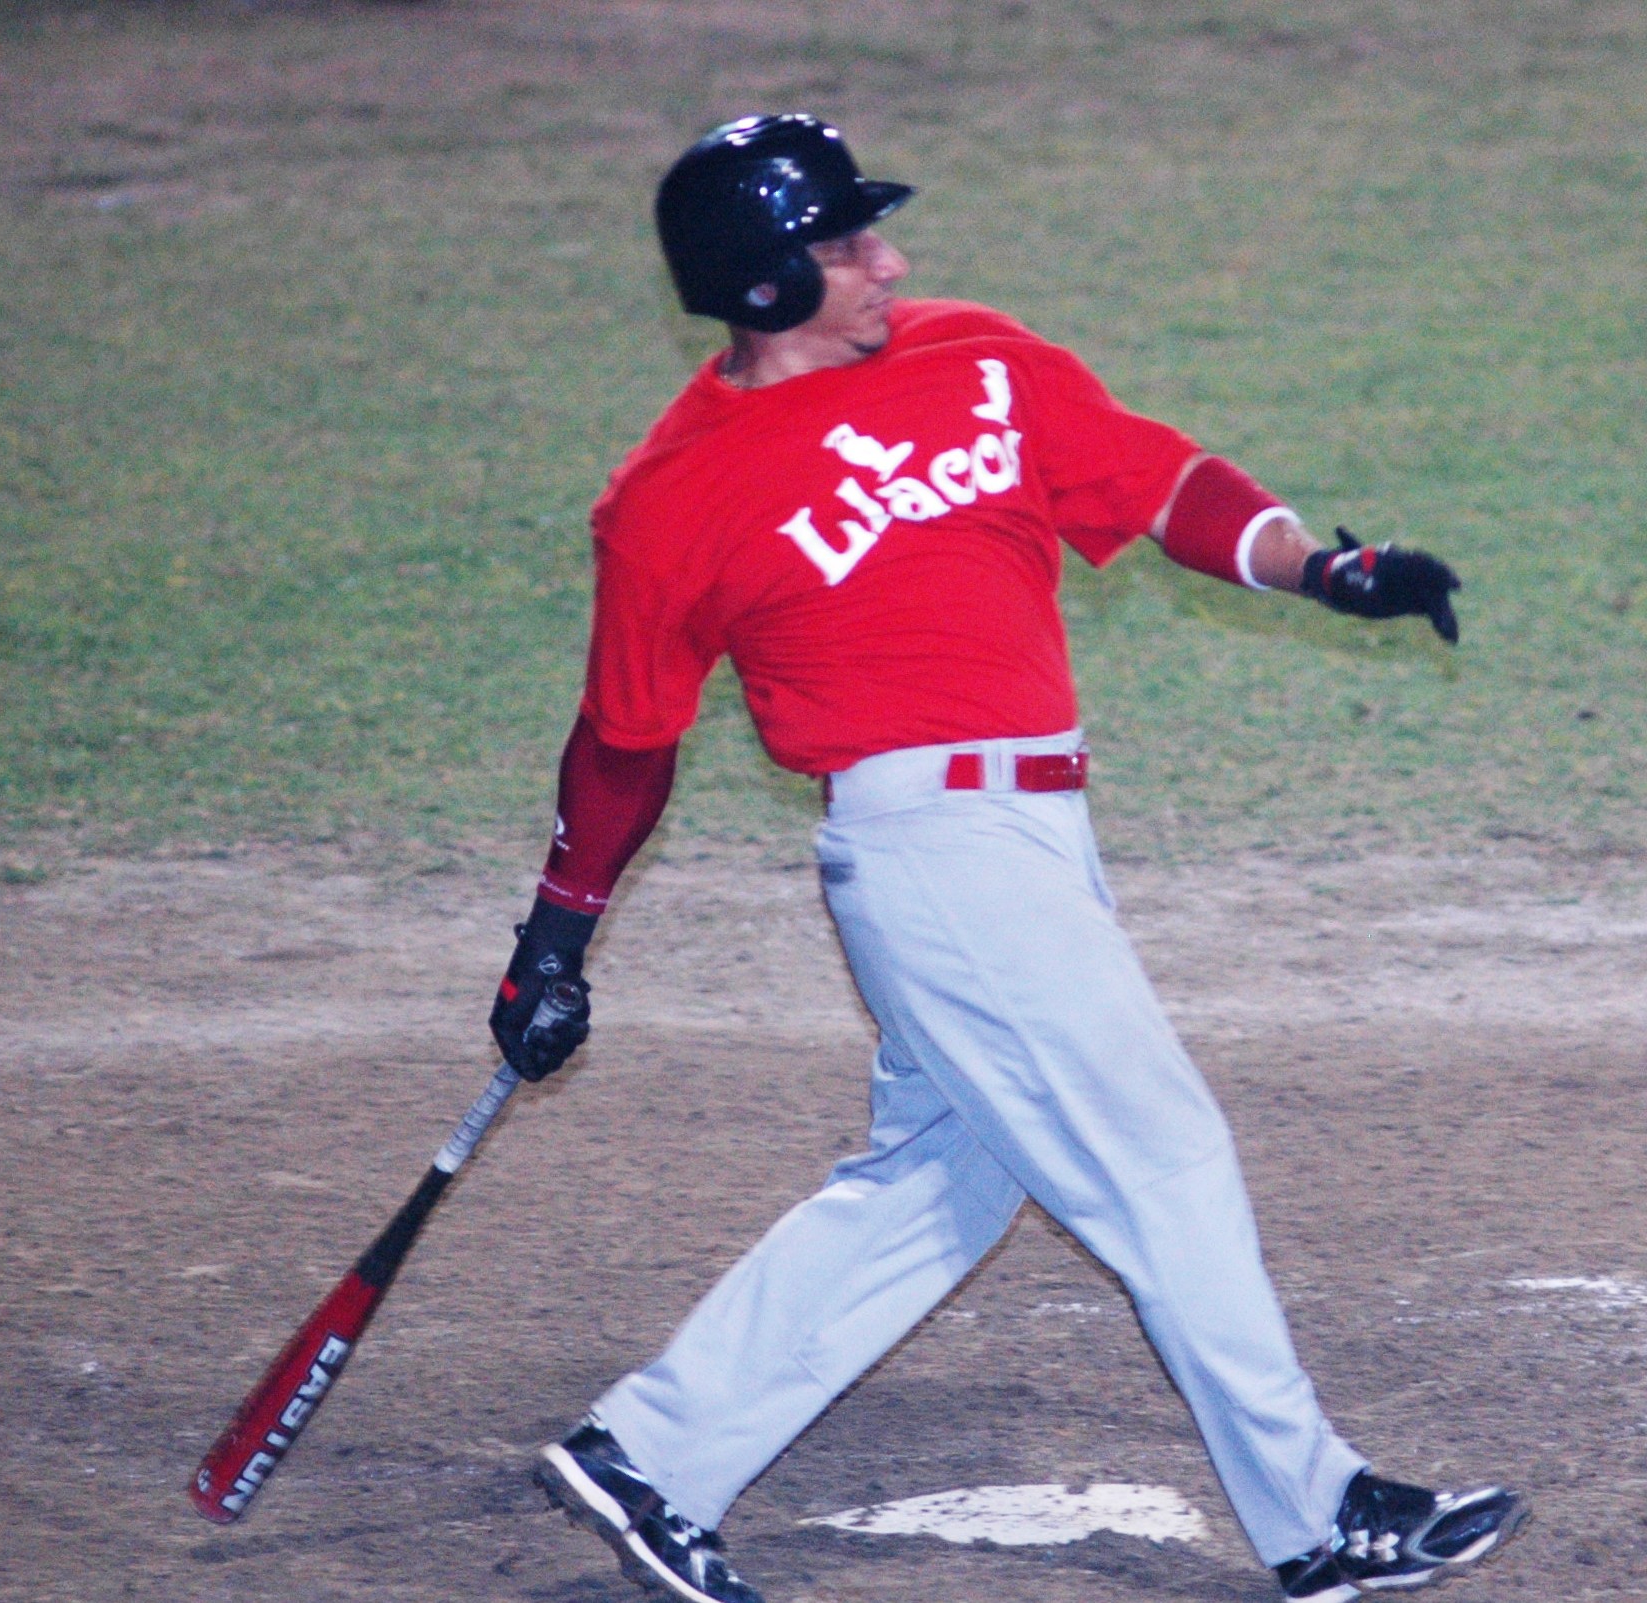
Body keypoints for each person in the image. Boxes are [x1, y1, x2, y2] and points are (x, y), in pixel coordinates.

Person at [491, 114, 1521, 1603]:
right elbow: (625, 742)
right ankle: (1319, 1517)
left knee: (938, 1181)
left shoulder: (970, 353)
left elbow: (1156, 482)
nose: (887, 262)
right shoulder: (670, 496)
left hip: (1029, 840)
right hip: (929, 852)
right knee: (1159, 1155)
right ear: (765, 284)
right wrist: (551, 940)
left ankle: (653, 1453)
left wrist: (1322, 569)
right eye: (847, 246)